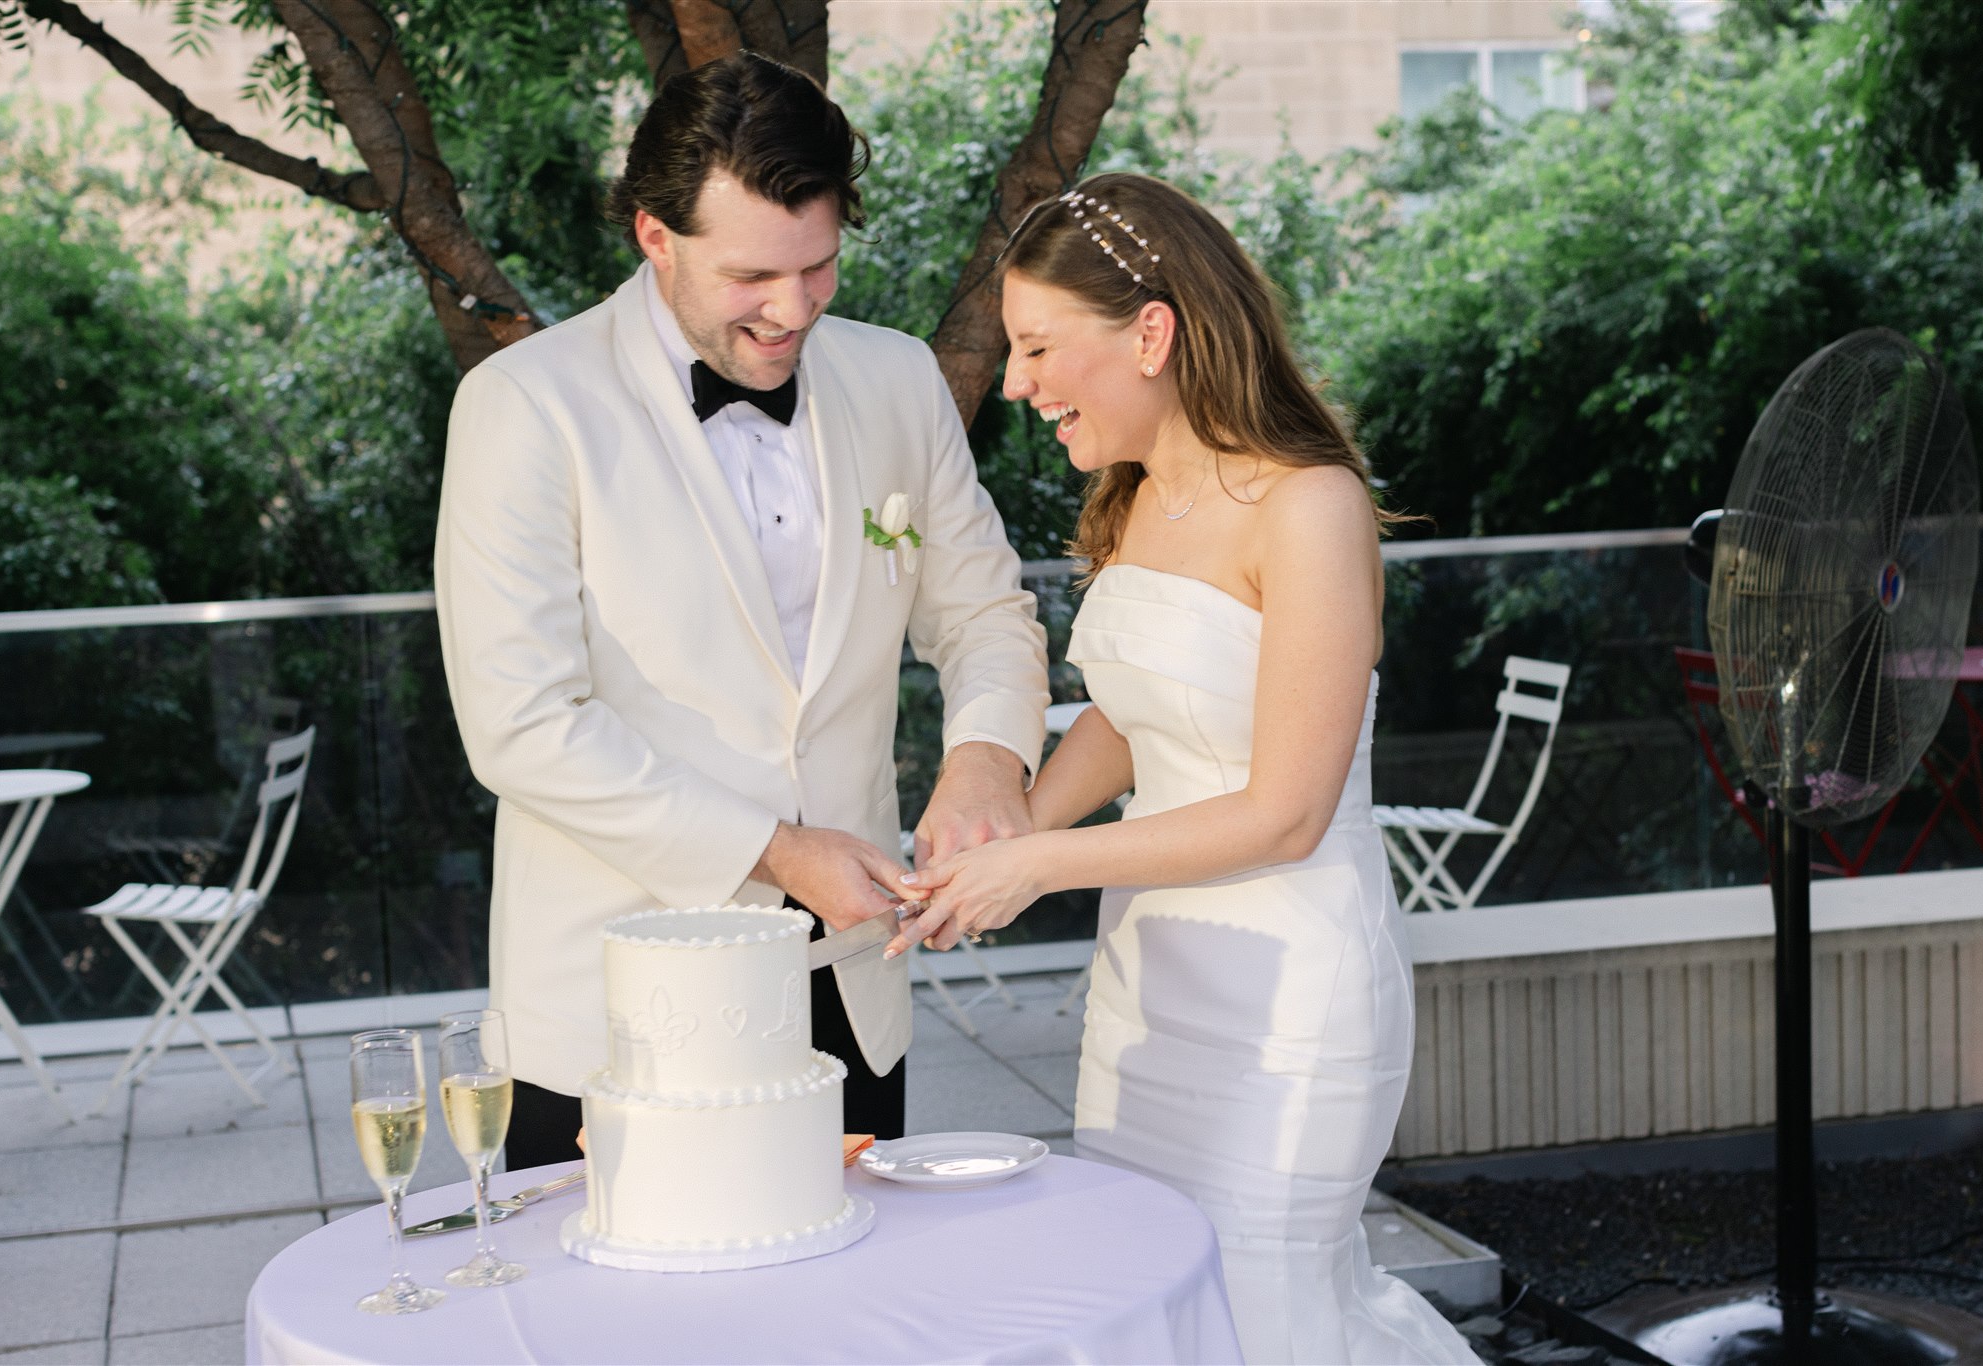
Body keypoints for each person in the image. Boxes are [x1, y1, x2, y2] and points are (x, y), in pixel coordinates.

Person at [891, 173, 1479, 1365]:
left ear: (1150, 333)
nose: (1014, 382)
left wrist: (1040, 865)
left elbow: (1282, 813)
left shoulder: (1311, 507)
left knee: (1264, 1313)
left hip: (1288, 1005)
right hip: (1149, 992)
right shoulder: (1135, 498)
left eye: (1038, 345)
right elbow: (1126, 715)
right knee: (1151, 1304)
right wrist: (994, 844)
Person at [435, 52, 1048, 1170]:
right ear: (653, 236)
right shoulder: (523, 407)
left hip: (852, 994)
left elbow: (986, 616)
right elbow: (519, 723)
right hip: (617, 1009)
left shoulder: (897, 378)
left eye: (817, 267)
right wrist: (772, 850)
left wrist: (985, 759)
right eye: (751, 275)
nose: (791, 307)